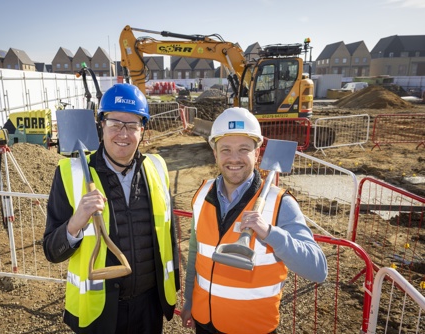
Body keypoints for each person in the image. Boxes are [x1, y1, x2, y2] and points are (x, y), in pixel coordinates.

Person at [43, 83, 180, 334]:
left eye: (132, 125)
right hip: (100, 313)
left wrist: (174, 287)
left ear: (143, 130)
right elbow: (52, 251)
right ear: (101, 125)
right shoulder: (69, 174)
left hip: (149, 308)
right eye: (115, 123)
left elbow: (168, 236)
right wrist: (77, 222)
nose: (123, 134)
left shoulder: (158, 167)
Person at [181, 107, 328, 334]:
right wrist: (190, 301)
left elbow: (318, 270)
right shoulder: (202, 195)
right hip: (205, 322)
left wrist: (270, 233)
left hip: (252, 327)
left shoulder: (280, 204)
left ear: (257, 153)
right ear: (215, 153)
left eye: (244, 149)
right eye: (226, 149)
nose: (234, 158)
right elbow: (195, 254)